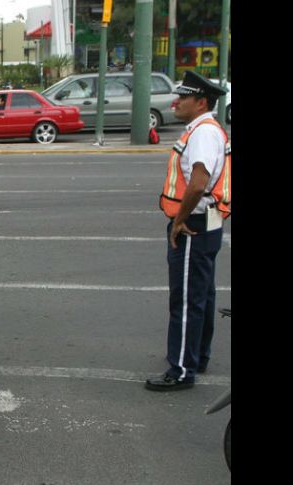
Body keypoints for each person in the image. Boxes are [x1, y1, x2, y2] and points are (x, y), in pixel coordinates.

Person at [145, 70, 231, 392]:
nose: (175, 101)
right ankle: (198, 356)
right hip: (207, 224)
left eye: (183, 96)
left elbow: (198, 181)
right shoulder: (205, 129)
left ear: (201, 101)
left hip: (194, 225)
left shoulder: (203, 133)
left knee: (186, 299)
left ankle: (181, 369)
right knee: (202, 296)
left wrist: (179, 220)